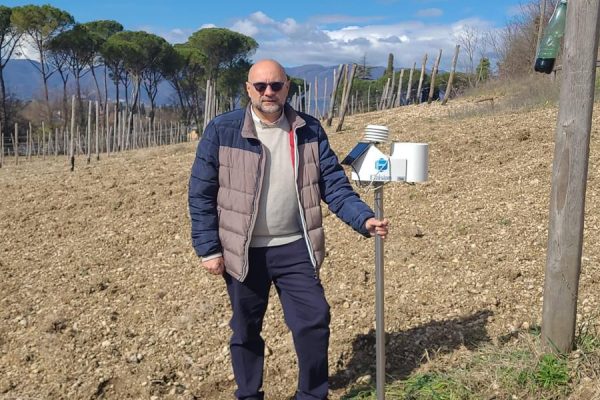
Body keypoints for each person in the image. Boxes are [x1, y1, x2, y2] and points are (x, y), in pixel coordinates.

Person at [188, 59, 389, 400]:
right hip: (243, 249)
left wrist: (364, 218)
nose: (269, 92)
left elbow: (333, 185)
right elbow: (201, 192)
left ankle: (311, 394)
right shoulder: (222, 131)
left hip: (295, 245)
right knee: (245, 328)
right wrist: (209, 248)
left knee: (313, 319)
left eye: (276, 86)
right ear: (248, 89)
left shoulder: (308, 129)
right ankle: (249, 393)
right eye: (261, 86)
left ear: (288, 88)